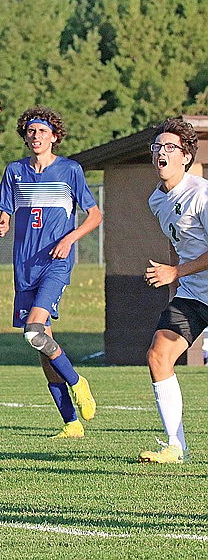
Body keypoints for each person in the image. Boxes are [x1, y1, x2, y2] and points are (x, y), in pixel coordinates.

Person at [0, 107, 101, 438]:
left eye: (42, 131)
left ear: (54, 136)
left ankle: (78, 382)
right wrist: (1, 224)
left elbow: (95, 216)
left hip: (56, 263)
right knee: (43, 348)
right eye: (31, 131)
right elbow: (5, 215)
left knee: (34, 331)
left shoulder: (70, 171)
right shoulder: (15, 172)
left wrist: (69, 238)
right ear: (25, 137)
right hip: (24, 266)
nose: (36, 135)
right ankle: (71, 424)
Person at [140, 117, 208, 463]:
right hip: (196, 295)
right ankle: (175, 446)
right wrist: (175, 277)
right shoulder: (157, 200)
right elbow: (177, 243)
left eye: (170, 147)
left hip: (192, 280)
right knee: (158, 355)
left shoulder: (202, 194)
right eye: (157, 147)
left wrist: (177, 271)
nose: (161, 153)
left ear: (186, 157)